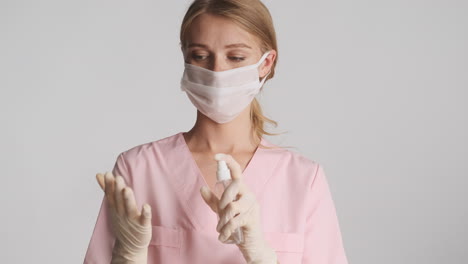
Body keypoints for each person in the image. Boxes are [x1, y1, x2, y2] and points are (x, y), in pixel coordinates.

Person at [83, 0, 349, 263]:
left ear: (266, 63)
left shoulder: (303, 180)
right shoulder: (139, 169)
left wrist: (263, 258)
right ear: (185, 59)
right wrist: (127, 256)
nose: (217, 71)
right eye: (200, 56)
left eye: (235, 57)